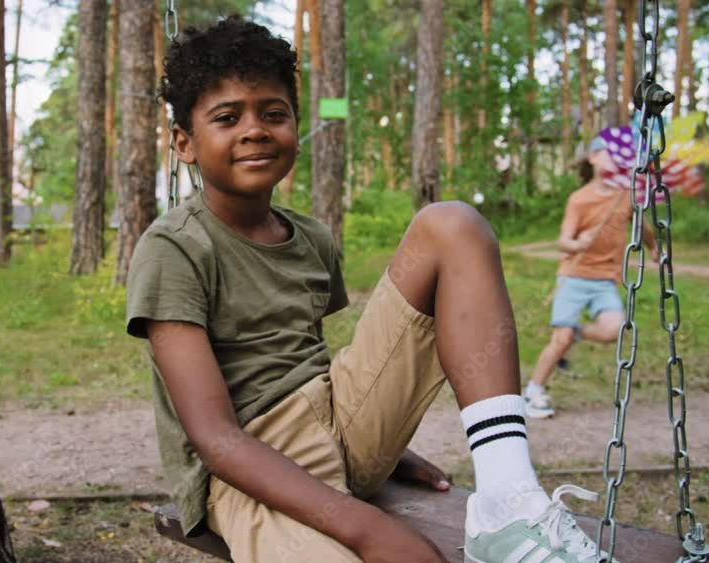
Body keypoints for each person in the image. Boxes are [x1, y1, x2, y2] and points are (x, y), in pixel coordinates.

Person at [126, 17, 611, 563]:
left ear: (295, 128)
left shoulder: (310, 237)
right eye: (227, 117)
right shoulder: (174, 249)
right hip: (247, 473)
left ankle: (507, 500)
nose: (255, 129)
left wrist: (386, 449)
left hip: (340, 429)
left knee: (451, 224)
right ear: (184, 143)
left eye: (274, 113)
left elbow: (307, 368)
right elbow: (215, 438)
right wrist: (366, 528)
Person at [524, 136, 657, 419]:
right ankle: (533, 391)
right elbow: (563, 241)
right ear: (593, 158)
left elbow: (642, 226)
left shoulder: (625, 196)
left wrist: (654, 247)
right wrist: (578, 243)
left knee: (613, 330)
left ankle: (575, 333)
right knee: (559, 340)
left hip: (605, 279)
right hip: (574, 276)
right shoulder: (579, 199)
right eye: (610, 154)